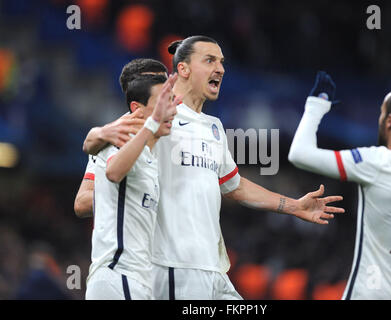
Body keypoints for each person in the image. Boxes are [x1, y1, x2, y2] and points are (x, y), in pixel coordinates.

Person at [83, 36, 345, 300]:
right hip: (174, 267)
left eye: (221, 62)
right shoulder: (156, 116)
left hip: (214, 269)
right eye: (209, 60)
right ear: (183, 69)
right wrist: (96, 134)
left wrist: (293, 206)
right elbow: (98, 150)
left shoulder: (213, 127)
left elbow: (235, 186)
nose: (220, 68)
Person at [288, 71, 391, 299]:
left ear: (390, 121)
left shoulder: (375, 162)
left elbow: (299, 154)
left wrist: (317, 105)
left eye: (381, 113)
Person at [85, 73, 180, 300]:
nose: (171, 111)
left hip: (134, 281)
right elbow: (113, 172)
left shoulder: (149, 155)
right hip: (119, 276)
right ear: (137, 109)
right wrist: (151, 123)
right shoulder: (120, 138)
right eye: (162, 103)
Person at [74, 58, 167, 218]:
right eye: (155, 83)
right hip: (131, 239)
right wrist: (136, 193)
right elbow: (81, 203)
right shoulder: (116, 135)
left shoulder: (180, 127)